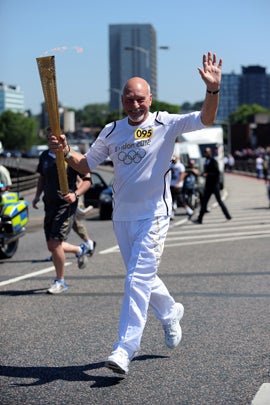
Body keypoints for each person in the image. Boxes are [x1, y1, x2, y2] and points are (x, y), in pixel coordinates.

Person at [49, 51, 223, 374]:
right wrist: (65, 151)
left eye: (140, 99)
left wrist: (212, 90)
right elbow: (86, 164)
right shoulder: (112, 131)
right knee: (141, 277)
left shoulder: (165, 123)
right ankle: (171, 313)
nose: (135, 105)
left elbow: (206, 119)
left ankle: (124, 348)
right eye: (129, 100)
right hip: (122, 216)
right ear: (122, 101)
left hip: (154, 214)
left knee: (136, 279)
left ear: (150, 99)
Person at [32, 140, 93, 294]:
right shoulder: (44, 156)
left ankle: (60, 281)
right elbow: (42, 178)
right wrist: (37, 196)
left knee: (55, 244)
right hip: (49, 204)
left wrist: (76, 194)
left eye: (56, 138)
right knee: (52, 246)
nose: (52, 141)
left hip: (65, 205)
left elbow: (87, 180)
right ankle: (80, 249)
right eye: (49, 138)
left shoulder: (72, 156)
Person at [194, 147, 232, 224]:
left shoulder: (213, 161)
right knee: (204, 202)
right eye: (204, 152)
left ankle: (228, 216)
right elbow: (206, 173)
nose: (205, 153)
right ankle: (199, 219)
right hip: (208, 185)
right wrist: (201, 174)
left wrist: (207, 174)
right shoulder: (206, 161)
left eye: (206, 152)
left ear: (210, 152)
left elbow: (217, 172)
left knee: (219, 201)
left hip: (214, 186)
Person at [170, 154, 193, 219]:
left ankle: (189, 210)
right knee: (171, 200)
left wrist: (178, 183)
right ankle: (171, 214)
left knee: (180, 200)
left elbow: (182, 175)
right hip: (171, 184)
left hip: (178, 185)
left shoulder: (180, 166)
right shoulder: (171, 165)